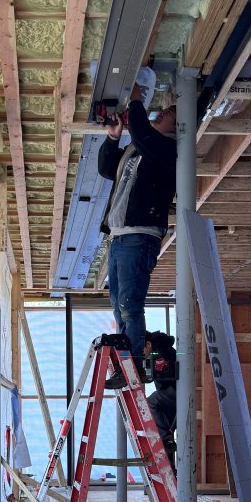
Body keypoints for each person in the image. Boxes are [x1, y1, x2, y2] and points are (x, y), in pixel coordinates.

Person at [98, 83, 177, 389]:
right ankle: (126, 363)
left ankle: (132, 367)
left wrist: (136, 100)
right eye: (165, 110)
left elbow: (143, 132)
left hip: (137, 237)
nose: (165, 112)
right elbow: (108, 169)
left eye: (170, 113)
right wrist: (114, 137)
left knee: (129, 305)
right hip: (120, 238)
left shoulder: (167, 149)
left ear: (177, 128)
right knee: (119, 305)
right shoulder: (142, 146)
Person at [145, 330, 177, 472]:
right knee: (167, 437)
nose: (143, 352)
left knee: (150, 402)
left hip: (175, 392)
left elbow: (153, 375)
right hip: (173, 394)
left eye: (143, 349)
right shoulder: (162, 349)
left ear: (149, 344)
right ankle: (172, 474)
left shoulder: (157, 352)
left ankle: (167, 439)